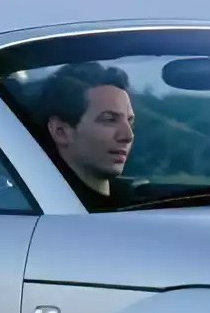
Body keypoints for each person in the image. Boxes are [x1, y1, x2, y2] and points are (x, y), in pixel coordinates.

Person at [34, 61, 135, 209]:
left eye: (130, 121)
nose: (127, 136)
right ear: (61, 131)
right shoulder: (53, 207)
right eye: (109, 120)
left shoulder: (132, 199)